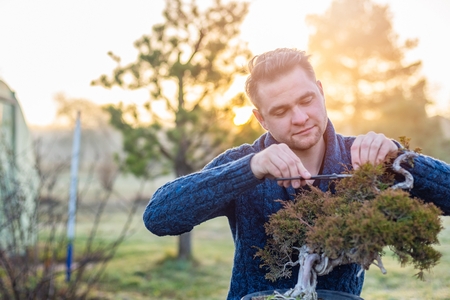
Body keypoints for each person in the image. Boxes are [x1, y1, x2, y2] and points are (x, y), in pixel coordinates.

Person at [143, 48, 450, 299]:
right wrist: (250, 169)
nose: (300, 118)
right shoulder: (243, 163)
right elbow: (158, 217)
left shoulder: (365, 159)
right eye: (281, 111)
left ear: (320, 91)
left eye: (306, 101)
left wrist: (400, 159)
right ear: (261, 119)